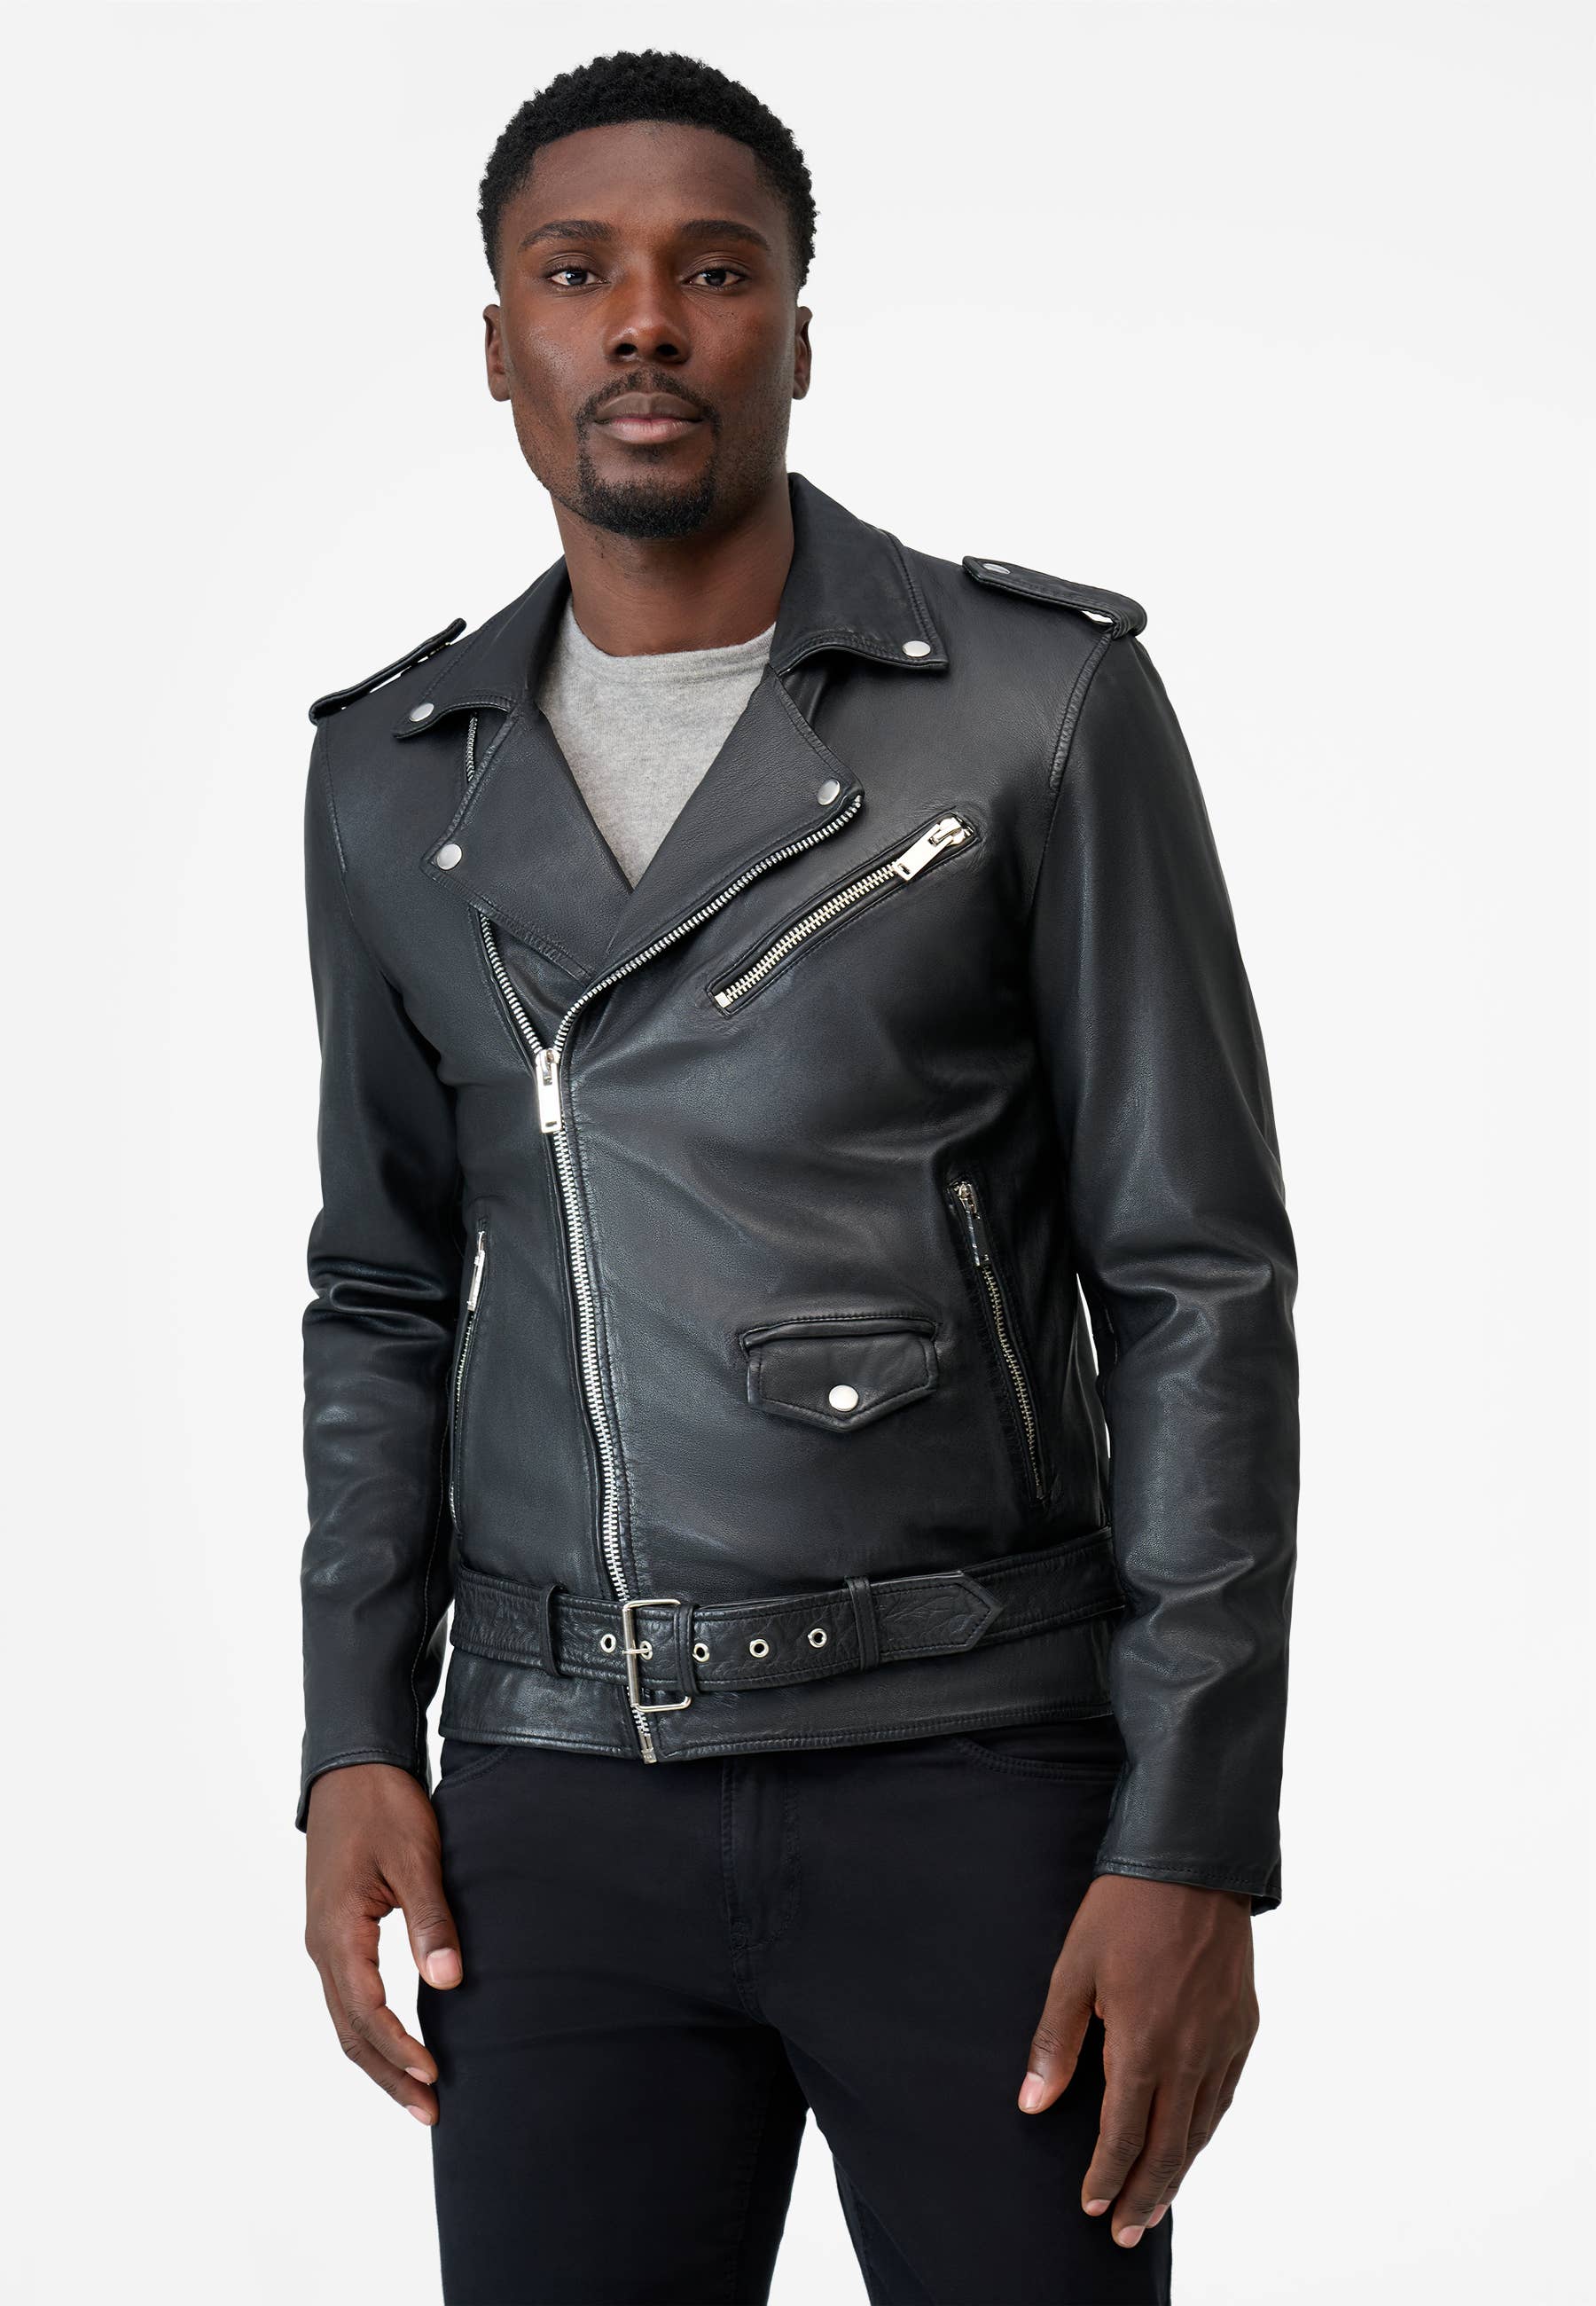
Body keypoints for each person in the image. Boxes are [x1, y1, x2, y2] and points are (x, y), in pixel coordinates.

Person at [297, 48, 1299, 2306]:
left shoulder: (1032, 708)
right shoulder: (389, 774)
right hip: (551, 1795)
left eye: (715, 271)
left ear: (799, 335)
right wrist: (354, 1735)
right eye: (580, 274)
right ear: (501, 344)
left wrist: (1194, 1829)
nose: (647, 321)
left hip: (978, 1770)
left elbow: (1195, 1280)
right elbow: (381, 1286)